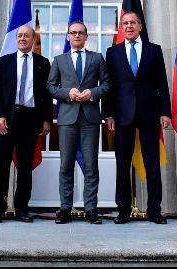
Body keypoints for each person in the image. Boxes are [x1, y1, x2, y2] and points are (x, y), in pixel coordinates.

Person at [105, 11, 171, 225]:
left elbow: (162, 83)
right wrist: (109, 114)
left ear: (140, 26)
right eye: (125, 23)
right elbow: (109, 87)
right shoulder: (112, 53)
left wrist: (165, 112)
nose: (129, 26)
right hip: (123, 115)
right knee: (122, 165)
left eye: (133, 22)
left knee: (152, 163)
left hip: (149, 113)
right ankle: (123, 211)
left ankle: (154, 210)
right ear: (121, 27)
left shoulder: (154, 50)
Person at [47, 21, 110, 225]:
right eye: (72, 33)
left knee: (91, 165)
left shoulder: (97, 58)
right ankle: (65, 208)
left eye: (80, 33)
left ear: (86, 37)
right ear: (67, 37)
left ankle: (91, 209)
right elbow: (50, 87)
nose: (76, 36)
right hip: (67, 118)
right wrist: (68, 93)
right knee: (66, 165)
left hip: (90, 118)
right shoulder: (59, 59)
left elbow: (108, 84)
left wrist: (92, 93)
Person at [0, 25, 52, 223]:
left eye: (27, 36)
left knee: (25, 167)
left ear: (34, 40)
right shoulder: (3, 62)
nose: (23, 38)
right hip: (5, 120)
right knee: (1, 166)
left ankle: (21, 208)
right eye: (20, 36)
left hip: (30, 120)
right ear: (16, 39)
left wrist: (46, 120)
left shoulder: (43, 63)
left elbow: (47, 95)